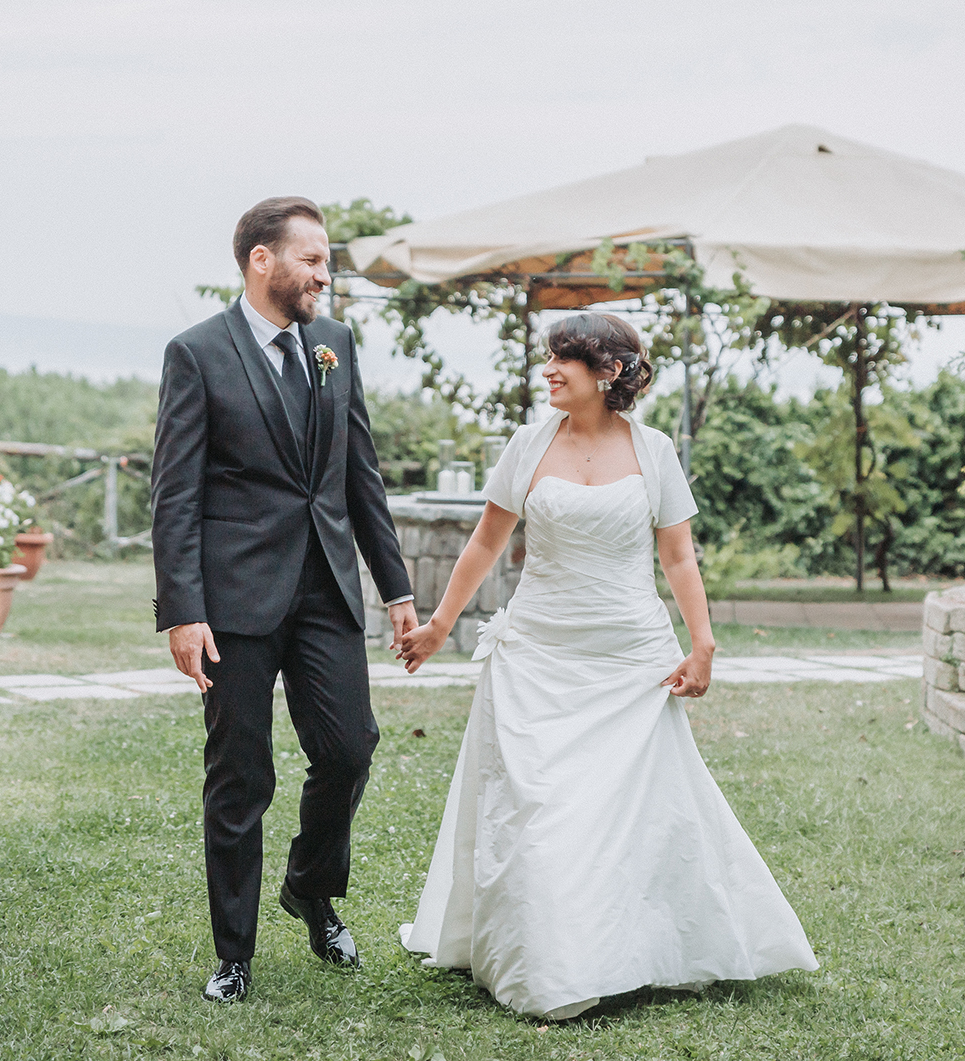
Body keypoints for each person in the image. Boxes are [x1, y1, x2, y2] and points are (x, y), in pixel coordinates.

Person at [395, 313, 818, 1020]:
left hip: (630, 659)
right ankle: (548, 962)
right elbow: (484, 542)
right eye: (550, 357)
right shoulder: (527, 445)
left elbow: (678, 555)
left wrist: (702, 641)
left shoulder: (653, 451)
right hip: (537, 654)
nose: (550, 370)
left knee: (632, 814)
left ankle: (641, 949)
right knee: (541, 809)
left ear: (610, 372)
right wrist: (441, 623)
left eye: (566, 359)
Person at [150, 196, 418, 1003]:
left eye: (326, 261)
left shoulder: (334, 345)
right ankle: (234, 954)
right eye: (312, 260)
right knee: (241, 774)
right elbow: (175, 493)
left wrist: (397, 586)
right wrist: (181, 610)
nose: (323, 276)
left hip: (327, 588)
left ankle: (310, 885)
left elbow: (358, 473)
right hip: (232, 601)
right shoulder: (197, 353)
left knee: (349, 749)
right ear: (261, 260)